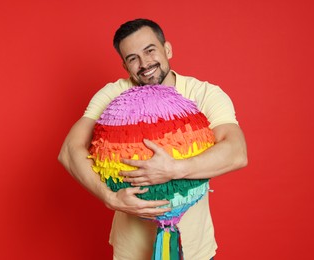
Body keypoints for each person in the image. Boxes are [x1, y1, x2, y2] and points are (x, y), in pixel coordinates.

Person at [58, 18, 248, 260]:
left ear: (167, 49)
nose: (144, 63)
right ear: (125, 65)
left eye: (150, 51)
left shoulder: (203, 93)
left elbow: (237, 152)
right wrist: (109, 198)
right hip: (131, 252)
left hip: (195, 251)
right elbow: (69, 150)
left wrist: (174, 169)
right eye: (132, 58)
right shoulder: (112, 94)